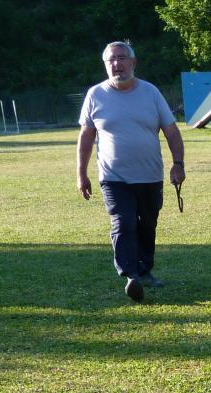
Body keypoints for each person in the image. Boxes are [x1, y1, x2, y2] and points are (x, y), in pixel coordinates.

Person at [77, 42, 186, 303]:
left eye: (122, 58)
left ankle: (144, 270)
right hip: (113, 177)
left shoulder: (150, 93)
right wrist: (81, 173)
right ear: (106, 65)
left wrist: (178, 164)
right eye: (111, 60)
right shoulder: (95, 95)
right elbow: (86, 136)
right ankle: (131, 276)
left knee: (147, 225)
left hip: (150, 175)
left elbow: (171, 130)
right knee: (123, 222)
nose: (117, 64)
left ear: (133, 62)